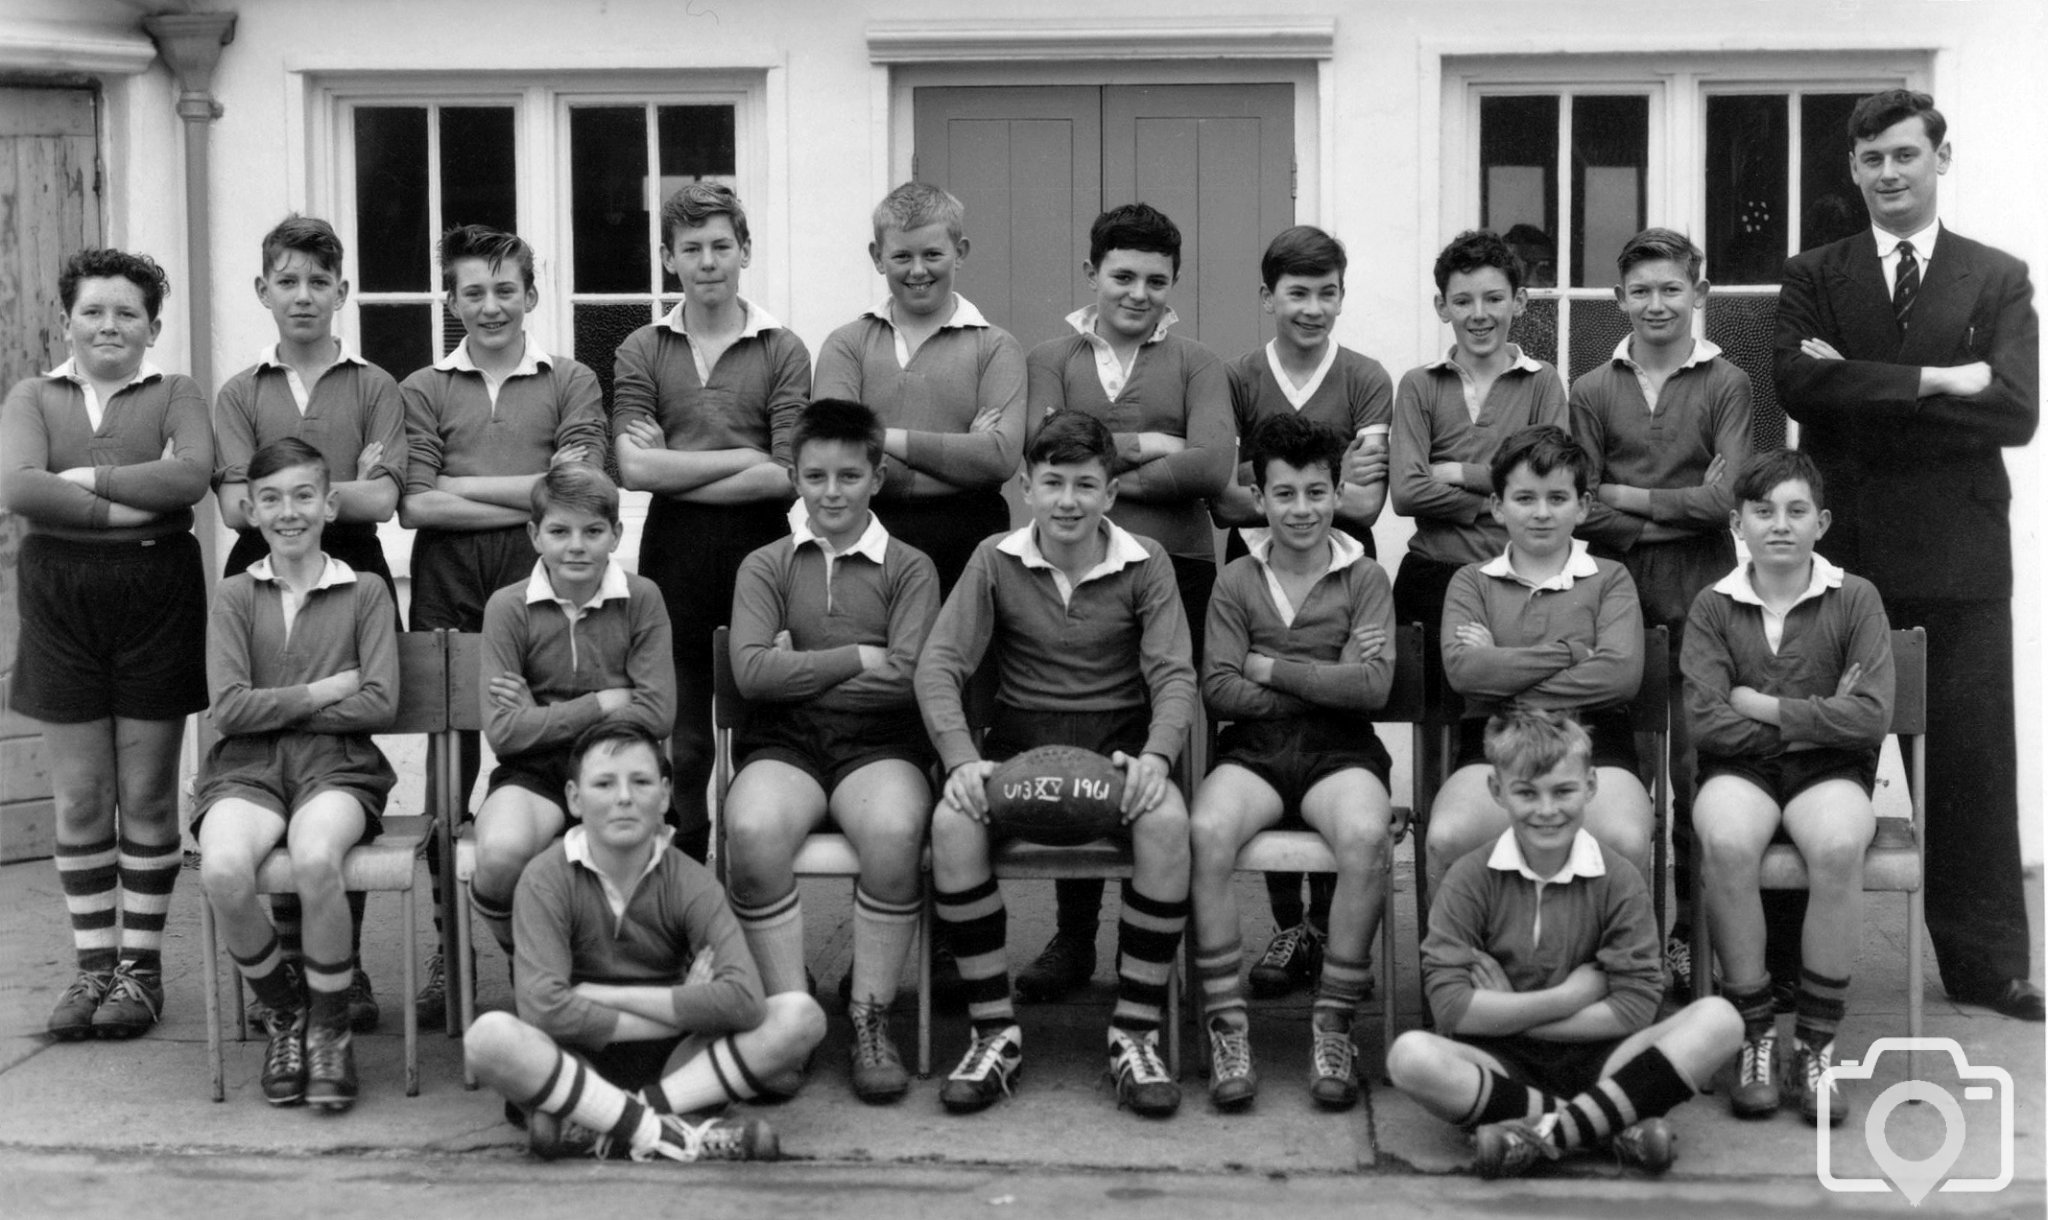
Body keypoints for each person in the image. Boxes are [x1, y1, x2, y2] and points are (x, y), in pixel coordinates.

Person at [1774, 88, 2042, 1021]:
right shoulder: (1815, 272)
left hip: (1962, 560)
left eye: (1905, 155)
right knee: (1815, 758)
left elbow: (2013, 410)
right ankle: (1781, 959)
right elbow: (1801, 382)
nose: (1889, 173)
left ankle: (1988, 967)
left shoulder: (1997, 276)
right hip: (1840, 556)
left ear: (1940, 158)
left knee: (1971, 766)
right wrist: (1938, 379)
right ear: (1851, 169)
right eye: (1872, 159)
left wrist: (1864, 390)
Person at [914, 411, 1196, 1119]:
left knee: (1167, 822)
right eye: (1053, 483)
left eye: (1085, 484)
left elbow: (1174, 675)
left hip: (1117, 743)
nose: (1068, 500)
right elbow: (940, 666)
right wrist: (961, 760)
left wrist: (1158, 756)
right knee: (953, 825)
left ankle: (1134, 1032)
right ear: (1026, 487)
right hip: (1020, 740)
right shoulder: (995, 558)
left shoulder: (1146, 561)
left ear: (1111, 492)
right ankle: (993, 1032)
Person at [1020, 202, 1231, 1003]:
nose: (1138, 293)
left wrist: (1097, 461)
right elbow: (1037, 456)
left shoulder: (1198, 361)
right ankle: (1075, 937)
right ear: (1092, 274)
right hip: (1072, 573)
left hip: (1174, 565)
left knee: (1163, 742)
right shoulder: (1049, 355)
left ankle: (1158, 942)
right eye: (1122, 276)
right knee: (1084, 729)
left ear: (1173, 283)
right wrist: (1153, 444)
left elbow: (1211, 469)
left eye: (1155, 280)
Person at [1385, 709, 1742, 1178]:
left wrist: (1509, 1010)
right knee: (1409, 1056)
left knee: (1721, 1019)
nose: (1547, 809)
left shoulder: (1618, 880)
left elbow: (1635, 1007)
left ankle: (1538, 1133)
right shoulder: (1470, 879)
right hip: (1499, 1060)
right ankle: (1611, 1121)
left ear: (1591, 786)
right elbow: (1451, 1007)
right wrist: (1567, 996)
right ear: (1497, 791)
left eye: (1564, 791)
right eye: (1526, 793)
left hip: (1608, 1055)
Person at [3, 248, 213, 1041]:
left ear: (152, 326)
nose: (109, 325)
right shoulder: (33, 393)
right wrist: (132, 497)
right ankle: (94, 965)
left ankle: (141, 970)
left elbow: (189, 478)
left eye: (128, 312)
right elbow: (17, 487)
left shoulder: (176, 393)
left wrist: (77, 483)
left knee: (151, 795)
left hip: (157, 595)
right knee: (85, 796)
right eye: (93, 310)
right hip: (58, 598)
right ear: (67, 321)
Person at [399, 224, 607, 1022]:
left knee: (551, 753)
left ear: (532, 294)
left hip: (543, 578)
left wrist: (468, 485)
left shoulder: (570, 378)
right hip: (448, 581)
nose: (490, 306)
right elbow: (415, 501)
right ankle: (452, 958)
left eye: (505, 289)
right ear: (450, 299)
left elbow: (580, 488)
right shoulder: (422, 386)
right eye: (473, 292)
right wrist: (535, 485)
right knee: (447, 778)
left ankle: (561, 946)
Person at [463, 721, 823, 1164]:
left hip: (677, 1061)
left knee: (800, 1016)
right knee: (487, 1038)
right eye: (604, 783)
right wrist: (683, 1006)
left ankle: (599, 1124)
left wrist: (602, 995)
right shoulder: (545, 878)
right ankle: (665, 1131)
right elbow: (542, 1007)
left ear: (665, 794)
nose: (624, 798)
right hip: (577, 1056)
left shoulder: (690, 881)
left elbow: (746, 1000)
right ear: (574, 798)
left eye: (641, 781)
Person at [214, 213, 407, 1033]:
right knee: (265, 755)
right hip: (262, 566)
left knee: (334, 763)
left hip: (351, 567)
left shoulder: (372, 384)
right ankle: (290, 970)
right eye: (286, 281)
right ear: (263, 290)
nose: (302, 296)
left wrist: (327, 497)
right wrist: (332, 486)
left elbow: (384, 499)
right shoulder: (238, 391)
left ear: (342, 293)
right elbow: (232, 507)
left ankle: (346, 967)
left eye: (318, 283)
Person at [724, 398, 940, 1104]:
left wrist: (799, 672)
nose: (832, 492)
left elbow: (909, 678)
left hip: (880, 746)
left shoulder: (910, 569)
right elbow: (750, 672)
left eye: (850, 475)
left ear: (878, 477)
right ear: (794, 477)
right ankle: (790, 1015)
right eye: (815, 476)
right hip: (783, 744)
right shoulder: (765, 565)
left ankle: (870, 1012)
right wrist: (856, 655)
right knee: (751, 831)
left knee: (896, 829)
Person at [1188, 414, 1396, 1113]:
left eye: (1315, 492)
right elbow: (1218, 687)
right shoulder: (1237, 581)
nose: (1300, 510)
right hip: (1254, 752)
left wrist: (1271, 667)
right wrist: (1323, 678)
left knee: (1368, 837)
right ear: (1261, 497)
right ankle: (1226, 1023)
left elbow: (1372, 687)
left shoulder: (1366, 577)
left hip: (1342, 753)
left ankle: (1334, 1019)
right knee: (1207, 830)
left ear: (1337, 493)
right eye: (1284, 494)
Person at [1211, 224, 1394, 997]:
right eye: (1297, 293)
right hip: (1255, 563)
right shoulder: (1239, 377)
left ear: (1342, 296)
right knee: (1262, 731)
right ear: (1268, 297)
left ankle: (1330, 930)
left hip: (1340, 567)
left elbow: (1366, 501)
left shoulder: (1366, 378)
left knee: (1332, 727)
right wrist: (1316, 494)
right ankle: (1292, 927)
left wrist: (1292, 498)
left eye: (1327, 293)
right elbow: (1221, 497)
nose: (1312, 308)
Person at [1686, 450, 1894, 1126]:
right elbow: (1707, 721)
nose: (1780, 525)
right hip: (1742, 769)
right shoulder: (1714, 605)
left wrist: (1767, 706)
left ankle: (1815, 1046)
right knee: (1724, 837)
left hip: (1829, 773)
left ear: (1822, 521)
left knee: (1837, 844)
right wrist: (1815, 719)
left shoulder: (1854, 597)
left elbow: (1870, 715)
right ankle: (1755, 1036)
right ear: (1737, 523)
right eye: (1763, 511)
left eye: (1796, 510)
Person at [1571, 227, 1753, 991]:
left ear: (1698, 295)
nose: (1656, 304)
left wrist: (1626, 495)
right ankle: (1626, 938)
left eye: (1671, 289)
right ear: (1619, 300)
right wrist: (1654, 509)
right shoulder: (1591, 389)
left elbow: (1726, 501)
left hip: (1701, 595)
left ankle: (1686, 937)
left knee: (1693, 769)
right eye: (1640, 291)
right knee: (1623, 775)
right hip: (1614, 598)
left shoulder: (1727, 385)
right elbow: (1577, 505)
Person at [193, 438, 399, 1111]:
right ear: (250, 511)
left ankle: (331, 1031)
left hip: (337, 769)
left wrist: (273, 710)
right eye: (273, 499)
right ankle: (287, 1013)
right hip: (246, 771)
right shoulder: (232, 596)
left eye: (304, 495)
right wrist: (320, 692)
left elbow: (379, 701)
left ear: (330, 504)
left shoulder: (364, 591)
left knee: (316, 858)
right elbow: (228, 708)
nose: (289, 512)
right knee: (222, 869)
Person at [612, 183, 810, 868]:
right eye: (690, 249)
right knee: (687, 740)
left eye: (721, 246)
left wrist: (677, 459)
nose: (707, 262)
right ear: (669, 259)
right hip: (674, 549)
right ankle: (691, 893)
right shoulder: (643, 346)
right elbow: (633, 471)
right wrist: (744, 454)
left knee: (758, 735)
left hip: (764, 548)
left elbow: (787, 475)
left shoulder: (783, 348)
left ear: (744, 250)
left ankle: (755, 906)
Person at [1391, 230, 1568, 850]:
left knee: (1507, 740)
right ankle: (1444, 909)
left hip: (1515, 588)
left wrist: (1458, 473)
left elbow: (1545, 485)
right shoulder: (1419, 384)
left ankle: (1513, 890)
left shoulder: (1543, 382)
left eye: (1494, 298)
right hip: (1431, 583)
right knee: (1436, 744)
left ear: (1520, 302)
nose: (1479, 314)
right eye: (1462, 301)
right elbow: (1407, 494)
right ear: (1441, 306)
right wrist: (1503, 495)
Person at [1425, 426, 1651, 896]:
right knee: (1447, 837)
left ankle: (1623, 966)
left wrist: (1501, 669)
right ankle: (1457, 965)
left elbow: (1619, 677)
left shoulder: (1610, 578)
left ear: (1583, 507)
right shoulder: (1471, 582)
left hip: (1595, 742)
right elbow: (1466, 674)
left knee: (1626, 838)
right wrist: (1571, 653)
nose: (1542, 513)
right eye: (1525, 498)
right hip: (1494, 743)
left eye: (1557, 498)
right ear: (1497, 506)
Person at [469, 463, 675, 958]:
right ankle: (536, 962)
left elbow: (657, 714)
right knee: (498, 856)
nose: (576, 545)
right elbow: (505, 734)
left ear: (616, 534)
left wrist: (540, 715)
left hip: (619, 762)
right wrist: (603, 701)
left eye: (593, 531)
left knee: (623, 859)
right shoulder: (508, 606)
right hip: (535, 770)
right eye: (559, 531)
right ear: (534, 535)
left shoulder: (642, 597)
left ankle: (604, 973)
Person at [811, 182, 1028, 594]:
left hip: (970, 545)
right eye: (901, 256)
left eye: (932, 254)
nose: (917, 270)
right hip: (867, 540)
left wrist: (876, 436)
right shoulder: (847, 344)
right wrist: (962, 456)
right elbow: (835, 452)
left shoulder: (996, 347)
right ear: (877, 257)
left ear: (959, 252)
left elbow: (999, 458)